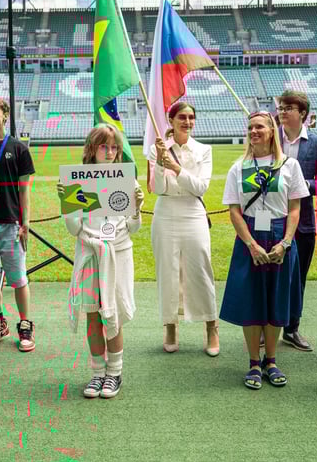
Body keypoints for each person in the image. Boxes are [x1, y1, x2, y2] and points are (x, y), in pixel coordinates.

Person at [220, 111, 309, 390]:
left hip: (281, 236)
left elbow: (295, 209)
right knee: (252, 300)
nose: (253, 131)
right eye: (250, 127)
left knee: (276, 300)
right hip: (250, 237)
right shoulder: (239, 166)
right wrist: (251, 244)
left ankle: (271, 360)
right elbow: (234, 211)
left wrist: (285, 242)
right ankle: (253, 362)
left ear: (272, 131)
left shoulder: (289, 165)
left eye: (259, 126)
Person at [59, 124, 143, 398]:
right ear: (92, 149)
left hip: (118, 254)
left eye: (114, 147)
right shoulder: (77, 179)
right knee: (93, 315)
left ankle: (114, 374)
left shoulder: (127, 180)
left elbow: (133, 228)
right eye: (103, 146)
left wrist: (138, 208)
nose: (109, 152)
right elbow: (73, 229)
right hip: (89, 253)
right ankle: (97, 373)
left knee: (113, 315)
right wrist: (68, 204)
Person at [147, 102, 218, 356]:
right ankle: (170, 325)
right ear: (171, 120)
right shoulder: (158, 149)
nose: (187, 122)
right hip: (165, 213)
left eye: (191, 118)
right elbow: (157, 189)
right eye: (181, 117)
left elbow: (200, 188)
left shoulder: (204, 150)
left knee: (200, 269)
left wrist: (175, 167)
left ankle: (211, 325)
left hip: (193, 213)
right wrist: (158, 162)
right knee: (167, 271)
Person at [0, 97, 37, 352]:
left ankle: (25, 324)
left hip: (12, 225)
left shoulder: (19, 149)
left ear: (5, 115)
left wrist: (25, 223)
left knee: (19, 279)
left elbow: (25, 191)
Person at [276, 90, 317, 351]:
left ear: (302, 114)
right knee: (269, 275)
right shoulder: (271, 139)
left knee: (298, 279)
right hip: (270, 219)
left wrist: (303, 184)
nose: (283, 112)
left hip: (304, 221)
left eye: (289, 108)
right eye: (281, 107)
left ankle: (291, 328)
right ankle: (267, 325)